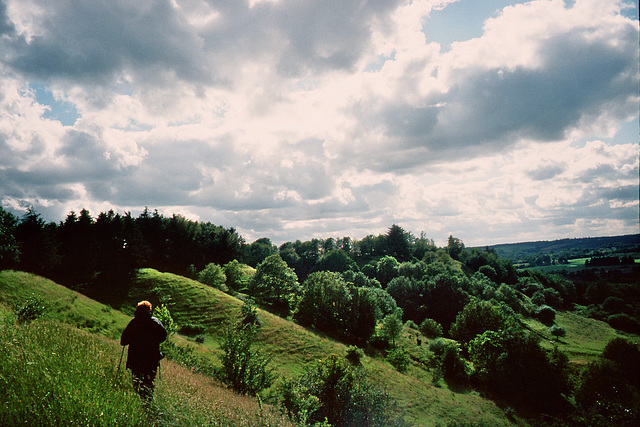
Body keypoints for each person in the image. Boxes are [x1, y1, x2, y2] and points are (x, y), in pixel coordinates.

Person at [120, 300, 167, 401]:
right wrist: (153, 342)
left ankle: (137, 403)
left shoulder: (134, 322)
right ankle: (147, 405)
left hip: (135, 358)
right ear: (150, 310)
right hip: (151, 359)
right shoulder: (155, 322)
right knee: (148, 383)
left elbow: (123, 341)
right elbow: (163, 336)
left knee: (137, 382)